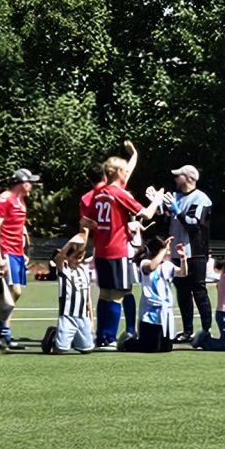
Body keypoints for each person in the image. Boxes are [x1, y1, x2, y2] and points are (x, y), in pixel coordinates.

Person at [80, 142, 153, 349]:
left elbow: (85, 222)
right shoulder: (118, 192)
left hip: (101, 249)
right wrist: (156, 199)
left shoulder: (95, 194)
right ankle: (111, 337)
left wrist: (103, 227)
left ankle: (102, 336)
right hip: (117, 249)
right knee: (120, 293)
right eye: (124, 171)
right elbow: (147, 213)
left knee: (105, 293)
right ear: (118, 172)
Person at [0, 169, 39, 350]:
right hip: (7, 251)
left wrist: (22, 251)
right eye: (30, 182)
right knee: (14, 291)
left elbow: (17, 227)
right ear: (22, 183)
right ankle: (2, 331)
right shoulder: (4, 199)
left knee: (15, 292)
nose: (31, 186)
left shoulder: (21, 201)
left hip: (17, 253)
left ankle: (4, 334)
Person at [169, 165, 214, 344]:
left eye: (178, 176)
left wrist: (177, 210)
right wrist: (157, 203)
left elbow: (193, 223)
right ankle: (187, 331)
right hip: (177, 252)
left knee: (199, 291)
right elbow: (166, 216)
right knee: (182, 292)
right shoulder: (176, 197)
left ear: (188, 178)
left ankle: (206, 330)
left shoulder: (201, 198)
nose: (175, 179)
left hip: (195, 253)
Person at [121, 236, 180, 353]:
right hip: (150, 312)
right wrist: (163, 250)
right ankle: (127, 342)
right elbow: (152, 267)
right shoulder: (145, 263)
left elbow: (183, 272)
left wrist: (183, 258)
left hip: (165, 312)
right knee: (151, 348)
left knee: (166, 348)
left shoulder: (167, 265)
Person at [48, 237, 96, 355]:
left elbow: (87, 297)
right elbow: (58, 257)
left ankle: (73, 338)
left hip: (83, 316)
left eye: (81, 257)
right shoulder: (64, 270)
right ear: (67, 257)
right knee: (60, 350)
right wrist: (70, 243)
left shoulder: (85, 271)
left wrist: (91, 319)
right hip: (67, 315)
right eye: (75, 257)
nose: (79, 260)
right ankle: (53, 334)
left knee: (87, 349)